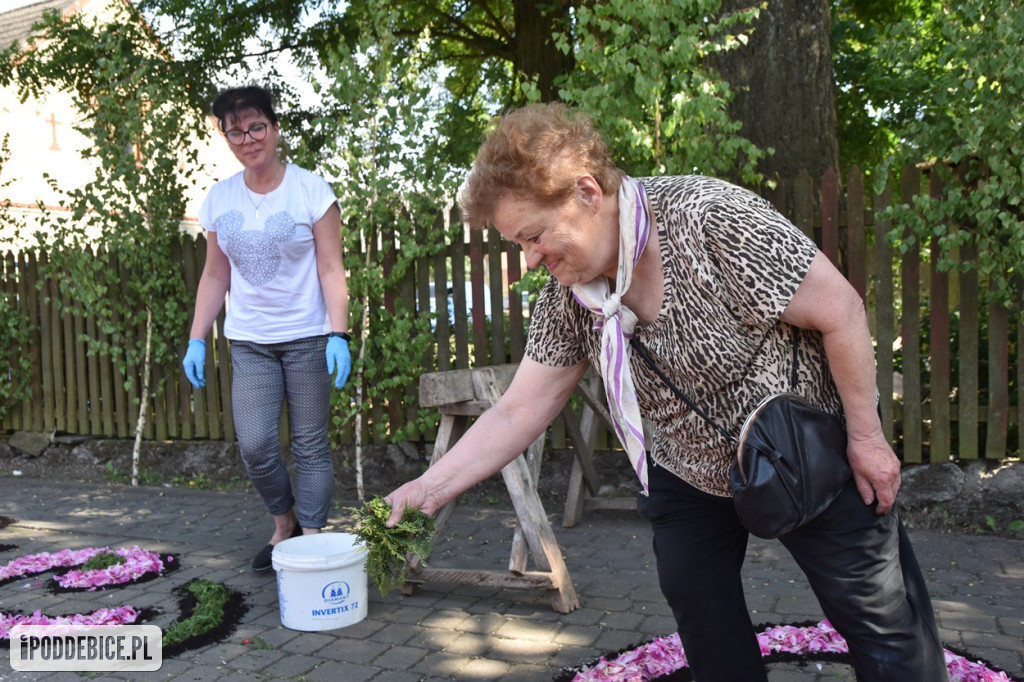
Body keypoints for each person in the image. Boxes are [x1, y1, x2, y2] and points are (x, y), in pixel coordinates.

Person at [385, 103, 948, 681]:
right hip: (689, 463)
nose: (529, 260)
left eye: (533, 236)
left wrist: (868, 438)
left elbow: (843, 311)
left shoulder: (711, 219)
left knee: (877, 613)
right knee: (696, 597)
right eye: (518, 244)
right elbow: (520, 408)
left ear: (586, 192)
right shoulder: (568, 296)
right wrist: (429, 489)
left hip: (802, 446)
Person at [182, 85, 352, 574]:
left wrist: (338, 334)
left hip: (308, 336)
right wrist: (198, 336)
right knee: (255, 445)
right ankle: (285, 524)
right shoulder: (219, 199)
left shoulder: (311, 191)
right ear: (226, 137)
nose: (248, 138)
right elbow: (216, 274)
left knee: (310, 444)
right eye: (235, 131)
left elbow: (331, 270)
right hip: (250, 342)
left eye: (256, 126)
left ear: (275, 129)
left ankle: (312, 540)